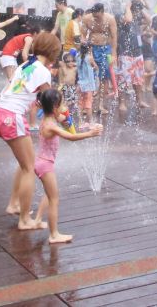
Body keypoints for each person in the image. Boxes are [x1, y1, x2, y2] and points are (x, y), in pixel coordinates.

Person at [0, 31, 57, 231]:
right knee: (30, 168)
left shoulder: (27, 64)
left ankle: (14, 204)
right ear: (53, 51)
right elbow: (52, 100)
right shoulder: (43, 71)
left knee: (24, 164)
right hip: (13, 117)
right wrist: (69, 121)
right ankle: (24, 219)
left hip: (0, 113)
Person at [30, 88, 103, 244]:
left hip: (41, 162)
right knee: (54, 199)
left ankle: (37, 220)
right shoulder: (51, 125)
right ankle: (54, 235)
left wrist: (86, 126)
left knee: (50, 195)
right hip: (45, 165)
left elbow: (65, 118)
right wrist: (91, 134)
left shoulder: (48, 118)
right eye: (61, 103)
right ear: (55, 107)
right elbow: (71, 137)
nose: (63, 106)